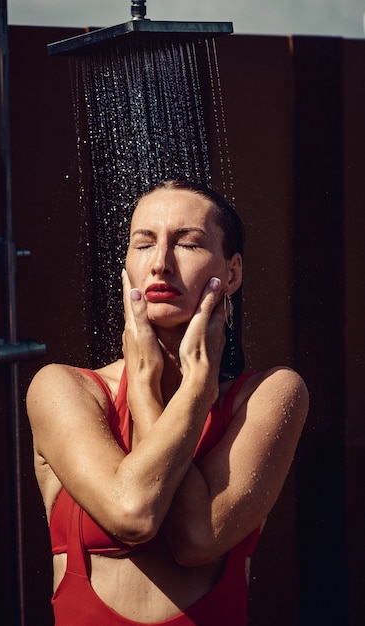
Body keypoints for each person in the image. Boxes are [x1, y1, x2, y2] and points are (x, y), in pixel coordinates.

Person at [26, 179, 309, 626]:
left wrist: (194, 387)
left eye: (189, 244)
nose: (160, 263)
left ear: (232, 273)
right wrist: (157, 385)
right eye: (144, 244)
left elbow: (196, 537)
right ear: (127, 265)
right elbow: (133, 512)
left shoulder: (268, 396)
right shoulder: (63, 389)